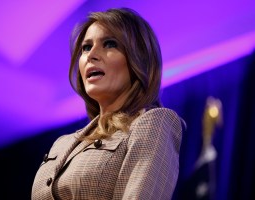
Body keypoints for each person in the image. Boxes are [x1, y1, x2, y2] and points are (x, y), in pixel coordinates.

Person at [32, 7, 183, 200]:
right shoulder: (61, 145)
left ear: (139, 59)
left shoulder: (153, 123)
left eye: (110, 44)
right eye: (86, 47)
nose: (91, 55)